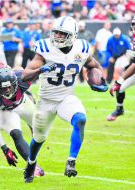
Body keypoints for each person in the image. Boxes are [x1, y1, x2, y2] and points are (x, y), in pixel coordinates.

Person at [22, 16, 108, 183]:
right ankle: (31, 163)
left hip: (66, 97)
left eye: (63, 34)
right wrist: (40, 70)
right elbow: (25, 74)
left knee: (80, 119)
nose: (58, 37)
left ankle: (71, 161)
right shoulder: (45, 48)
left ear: (73, 36)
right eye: (56, 33)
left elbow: (94, 65)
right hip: (46, 100)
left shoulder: (82, 48)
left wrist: (98, 80)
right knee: (39, 138)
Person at [0, 67, 48, 176]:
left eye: (9, 87)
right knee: (16, 134)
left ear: (15, 83)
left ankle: (31, 125)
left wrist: (40, 70)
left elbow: (33, 72)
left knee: (41, 132)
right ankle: (33, 167)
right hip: (7, 111)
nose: (8, 90)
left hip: (23, 103)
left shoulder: (22, 79)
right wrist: (5, 149)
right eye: (4, 88)